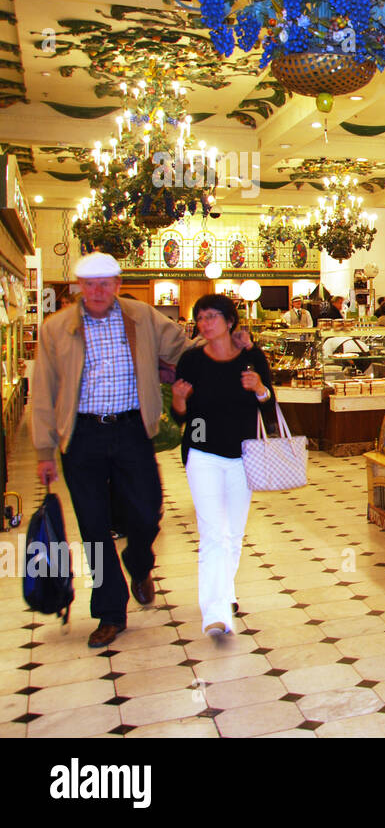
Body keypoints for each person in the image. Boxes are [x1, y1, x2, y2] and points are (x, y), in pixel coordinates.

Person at [30, 252, 249, 648]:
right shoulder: (56, 328)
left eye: (105, 283)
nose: (97, 291)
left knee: (146, 514)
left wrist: (227, 342)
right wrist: (45, 451)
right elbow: (43, 390)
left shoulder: (141, 316)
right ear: (79, 287)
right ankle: (109, 612)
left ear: (117, 283)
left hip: (132, 431)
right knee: (94, 528)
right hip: (81, 437)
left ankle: (139, 562)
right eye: (89, 284)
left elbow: (186, 349)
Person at [170, 295, 276, 637]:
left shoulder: (251, 358)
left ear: (231, 321)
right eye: (200, 317)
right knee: (213, 532)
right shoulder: (191, 361)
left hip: (243, 454)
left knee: (233, 532)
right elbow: (180, 416)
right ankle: (215, 610)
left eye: (212, 316)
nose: (204, 323)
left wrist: (259, 388)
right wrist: (178, 400)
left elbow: (269, 404)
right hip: (202, 453)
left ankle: (225, 592)